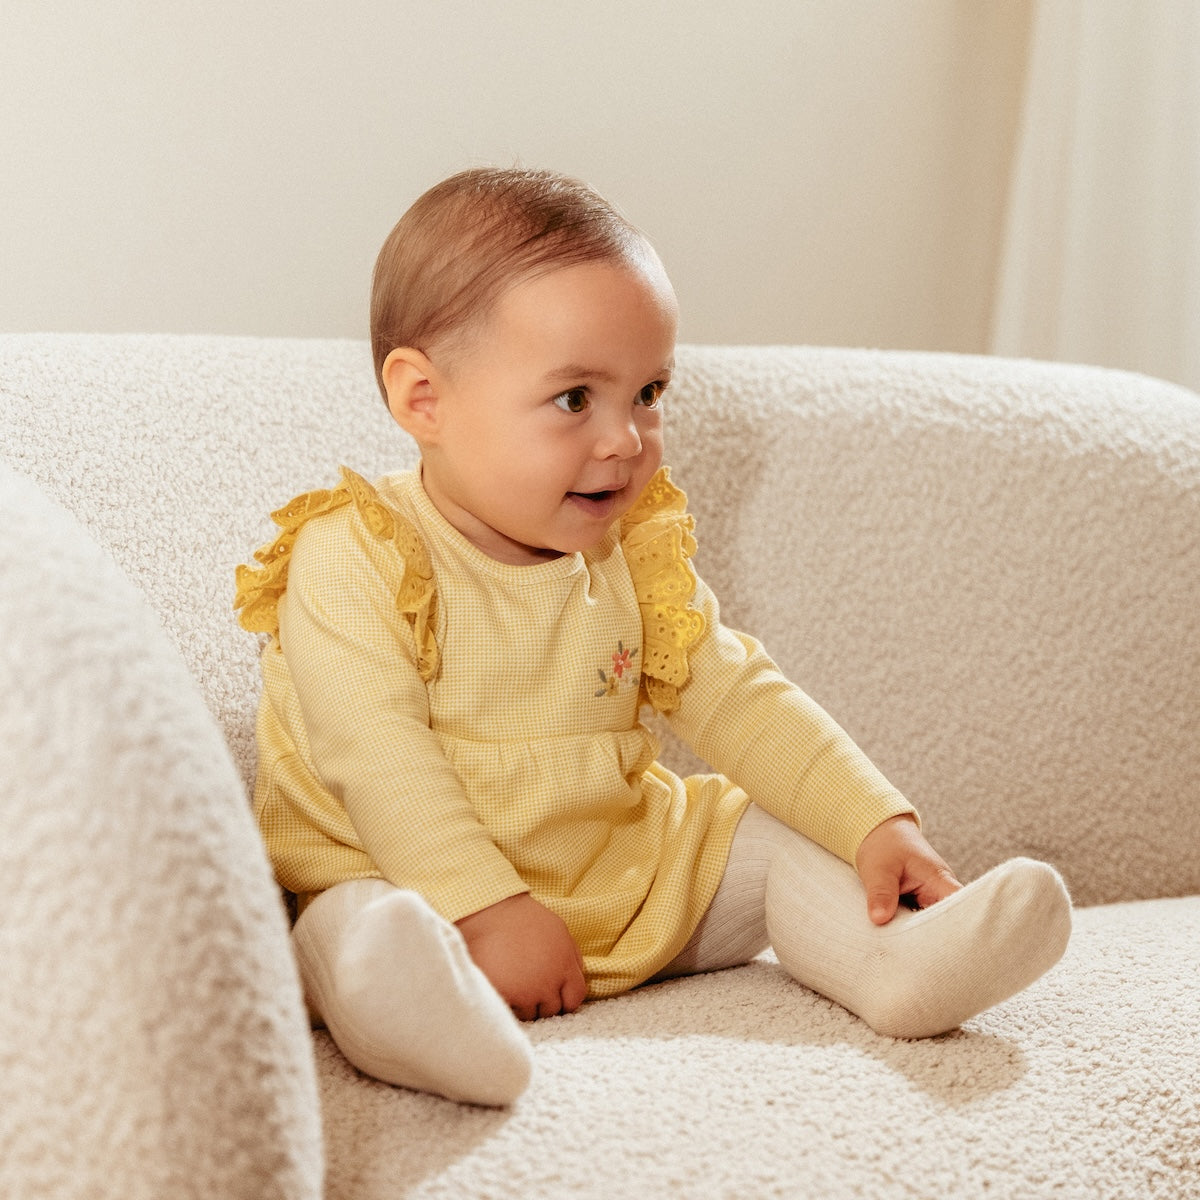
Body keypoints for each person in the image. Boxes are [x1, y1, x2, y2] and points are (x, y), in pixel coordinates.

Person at [234, 167, 1071, 1107]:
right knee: (356, 932)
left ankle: (897, 961)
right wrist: (485, 906)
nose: (627, 439)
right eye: (575, 399)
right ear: (423, 398)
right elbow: (376, 757)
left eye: (648, 393)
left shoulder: (629, 551)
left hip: (614, 868)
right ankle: (436, 1024)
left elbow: (735, 694)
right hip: (413, 880)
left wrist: (873, 819)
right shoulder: (356, 552)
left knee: (765, 834)